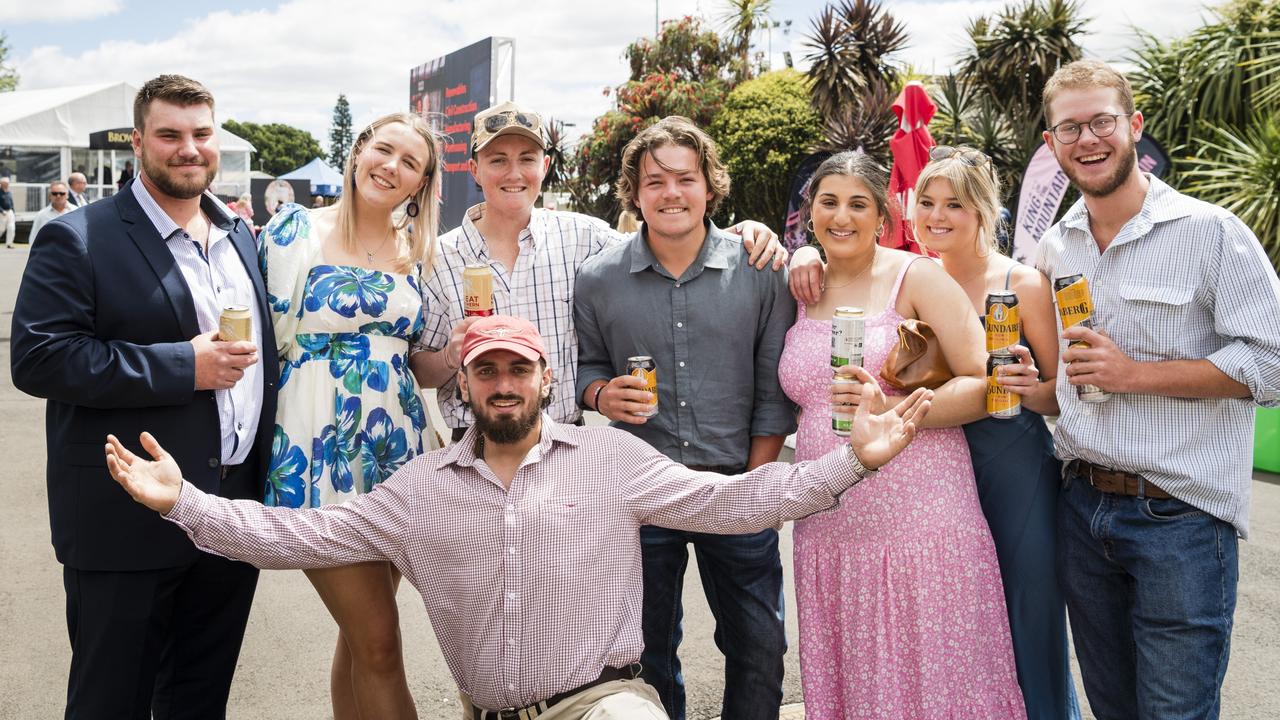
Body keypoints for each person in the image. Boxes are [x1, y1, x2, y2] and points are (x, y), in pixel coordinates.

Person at [103, 314, 935, 720]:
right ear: (461, 387)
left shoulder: (610, 458)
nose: (503, 383)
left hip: (602, 708)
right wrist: (186, 503)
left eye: (519, 369)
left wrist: (852, 460)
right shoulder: (418, 490)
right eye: (485, 370)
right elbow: (296, 536)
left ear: (545, 380)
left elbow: (734, 501)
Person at [9, 74, 278, 720]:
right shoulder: (78, 237)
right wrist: (184, 366)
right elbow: (39, 357)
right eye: (170, 135)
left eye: (202, 134)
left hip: (227, 514)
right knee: (112, 703)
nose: (189, 148)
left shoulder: (241, 235)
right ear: (138, 143)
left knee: (198, 700)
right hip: (124, 522)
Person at [1029, 59, 1280, 720]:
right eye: (1070, 128)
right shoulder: (1056, 249)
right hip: (1081, 511)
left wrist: (1134, 376)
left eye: (1102, 121)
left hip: (1182, 522)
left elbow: (1273, 364)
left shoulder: (1211, 234)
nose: (1088, 139)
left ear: (1134, 126)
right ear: (1052, 145)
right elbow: (1059, 386)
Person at [780, 151, 1026, 718]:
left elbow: (987, 382)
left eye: (858, 204)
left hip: (922, 525)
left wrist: (894, 411)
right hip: (831, 524)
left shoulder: (916, 276)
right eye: (828, 202)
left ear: (885, 214)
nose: (842, 217)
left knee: (938, 684)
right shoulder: (800, 286)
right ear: (810, 213)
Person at [574, 116, 796, 720]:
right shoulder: (597, 279)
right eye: (655, 181)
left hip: (738, 484)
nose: (671, 193)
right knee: (647, 650)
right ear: (635, 192)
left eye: (685, 179)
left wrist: (756, 488)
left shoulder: (761, 269)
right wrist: (600, 397)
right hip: (642, 494)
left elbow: (774, 388)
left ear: (709, 186)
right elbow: (585, 368)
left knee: (760, 646)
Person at [410, 101, 785, 442]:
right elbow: (419, 371)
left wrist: (744, 234)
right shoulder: (438, 258)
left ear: (545, 166)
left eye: (527, 158)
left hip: (564, 444)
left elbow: (666, 243)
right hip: (475, 443)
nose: (514, 173)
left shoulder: (585, 238)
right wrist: (448, 356)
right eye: (497, 160)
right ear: (474, 169)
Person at [257, 111, 442, 720]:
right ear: (359, 152)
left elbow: (415, 364)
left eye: (409, 162)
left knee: (361, 641)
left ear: (421, 183)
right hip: (319, 451)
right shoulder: (295, 231)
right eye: (383, 150)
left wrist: (457, 351)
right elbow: (267, 342)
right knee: (381, 644)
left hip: (396, 455)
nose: (391, 167)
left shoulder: (417, 252)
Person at [912, 148, 1078, 720]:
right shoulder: (911, 275)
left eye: (954, 203)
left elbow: (1063, 393)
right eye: (927, 201)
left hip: (1014, 470)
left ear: (983, 209)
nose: (937, 215)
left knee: (1027, 611)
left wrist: (1026, 386)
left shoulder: (1022, 282)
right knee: (950, 620)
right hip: (932, 471)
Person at [0, 177, 14, 248]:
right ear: (2, 184)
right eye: (6, 183)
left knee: (11, 228)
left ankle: (9, 244)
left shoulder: (9, 192)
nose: (8, 184)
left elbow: (11, 202)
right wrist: (2, 211)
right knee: (1, 229)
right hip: (2, 213)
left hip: (10, 212)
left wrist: (13, 211)